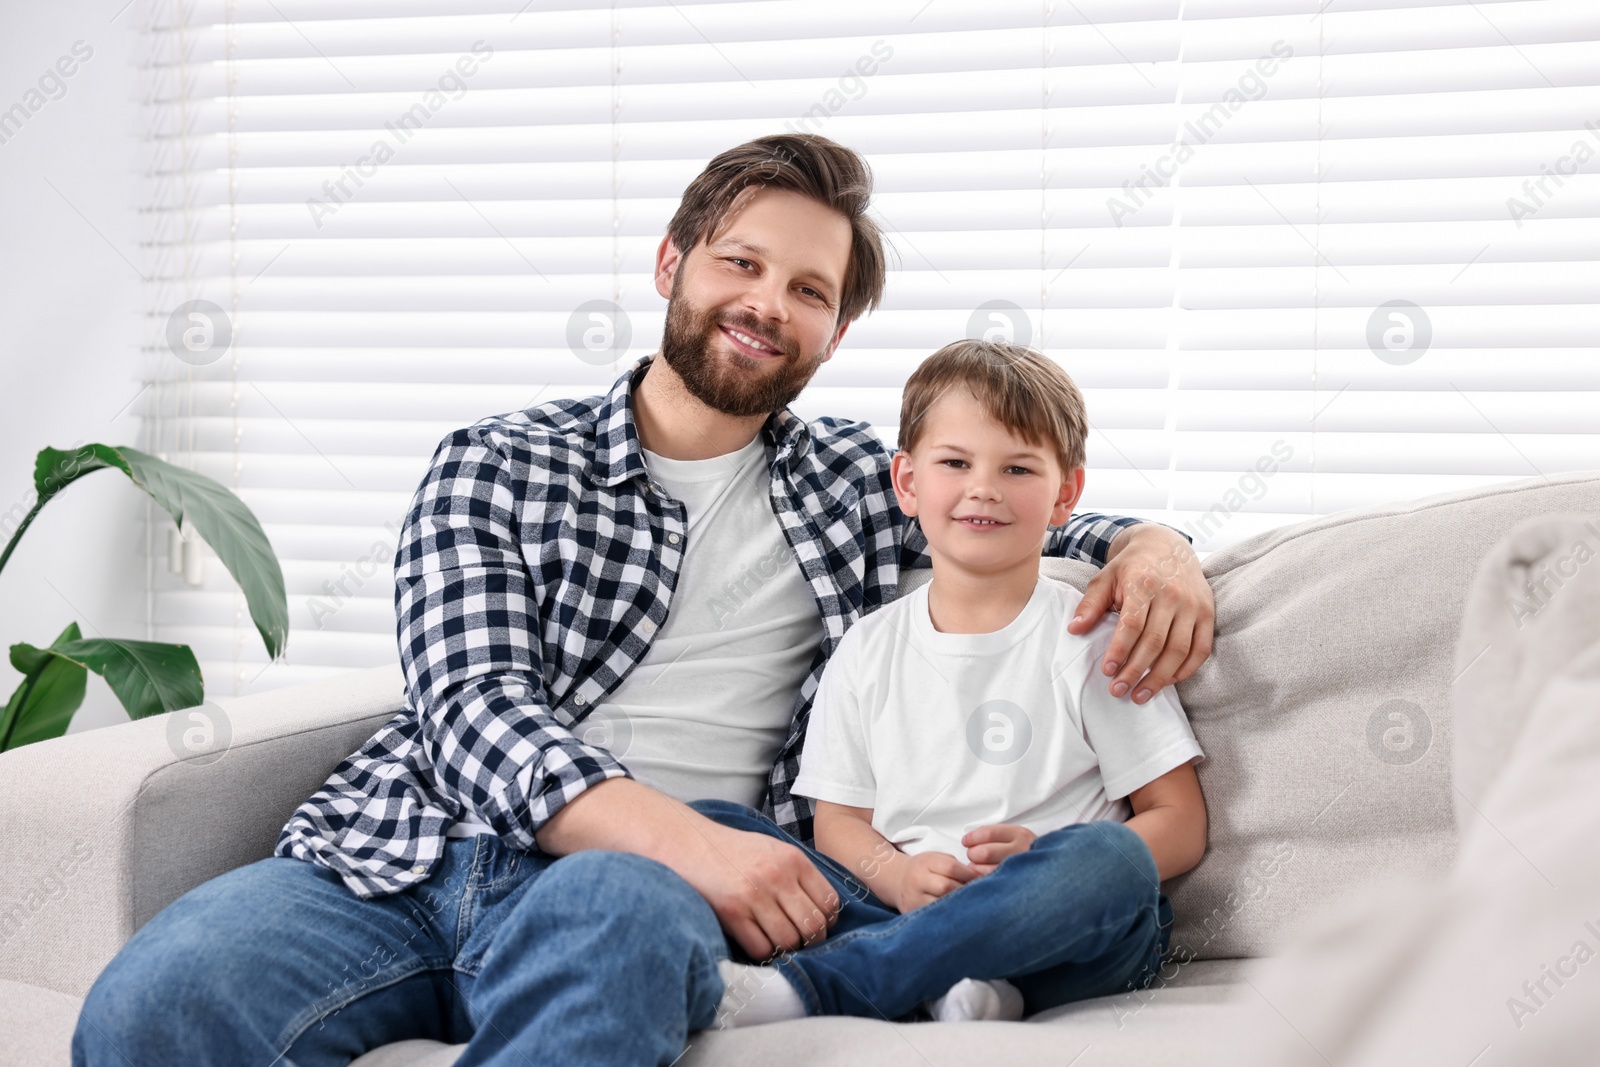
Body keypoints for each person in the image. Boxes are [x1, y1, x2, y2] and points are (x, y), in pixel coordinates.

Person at [73, 134, 1215, 1067]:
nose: (767, 303)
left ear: (836, 331)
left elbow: (1014, 509)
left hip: (660, 883)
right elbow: (471, 709)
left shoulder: (856, 484)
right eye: (741, 263)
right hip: (411, 855)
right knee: (154, 1010)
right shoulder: (502, 461)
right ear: (671, 261)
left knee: (612, 920)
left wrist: (1156, 545)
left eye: (808, 289)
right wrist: (676, 834)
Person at [709, 340, 1206, 1028]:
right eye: (955, 463)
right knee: (713, 822)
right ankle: (951, 979)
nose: (984, 487)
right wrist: (899, 877)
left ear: (1065, 493)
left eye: (1018, 467)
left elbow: (1180, 823)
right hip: (903, 905)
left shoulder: (1093, 636)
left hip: (1062, 939)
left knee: (1113, 859)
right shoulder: (868, 647)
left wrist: (1040, 863)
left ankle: (830, 985)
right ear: (907, 483)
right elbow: (840, 824)